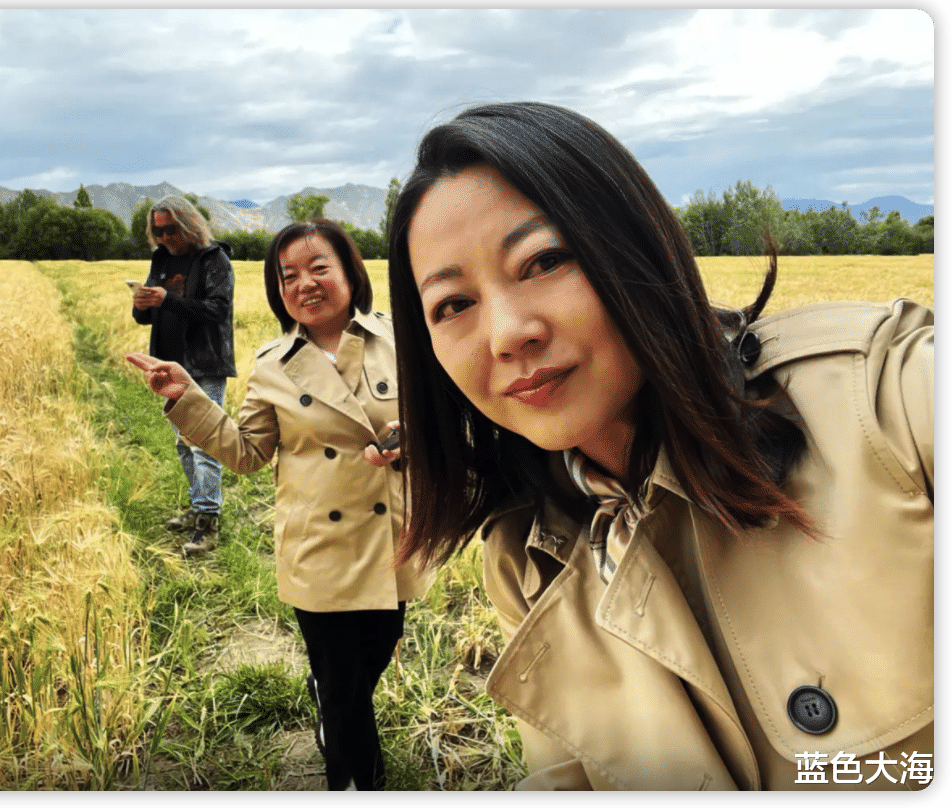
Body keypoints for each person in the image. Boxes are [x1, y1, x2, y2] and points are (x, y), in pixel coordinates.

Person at [386, 102, 933, 790]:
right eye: (453, 305)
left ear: (632, 245)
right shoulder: (525, 562)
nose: (506, 333)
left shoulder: (883, 400)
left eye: (544, 260)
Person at [128, 218, 435, 791]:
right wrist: (188, 398)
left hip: (388, 541)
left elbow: (436, 425)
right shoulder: (273, 363)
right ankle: (355, 778)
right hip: (318, 546)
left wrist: (413, 440)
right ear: (277, 289)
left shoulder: (400, 342)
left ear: (349, 272)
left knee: (371, 659)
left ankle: (328, 698)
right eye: (288, 274)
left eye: (319, 267)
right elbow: (246, 453)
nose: (304, 283)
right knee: (346, 699)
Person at [133, 194, 236, 556]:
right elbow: (149, 315)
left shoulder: (214, 259)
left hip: (205, 364)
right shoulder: (160, 258)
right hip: (169, 365)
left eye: (170, 229)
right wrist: (141, 306)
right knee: (182, 442)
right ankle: (198, 505)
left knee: (204, 442)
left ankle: (208, 520)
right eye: (157, 231)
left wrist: (167, 300)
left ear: (188, 224)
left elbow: (218, 311)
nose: (163, 237)